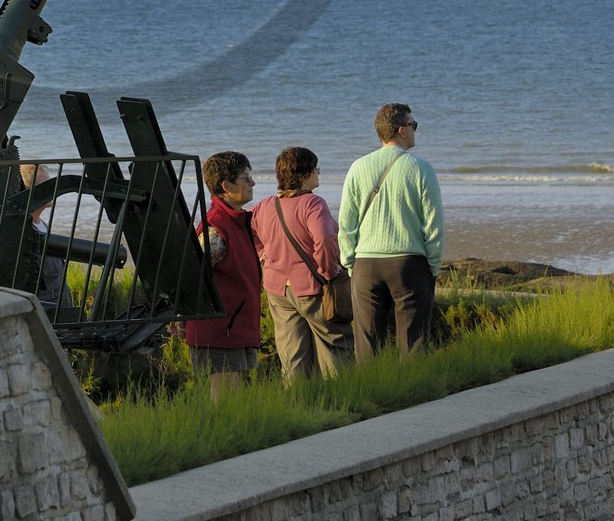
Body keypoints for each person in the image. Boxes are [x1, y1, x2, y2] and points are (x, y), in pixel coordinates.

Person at [338, 103, 445, 359]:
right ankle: (414, 397)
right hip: (409, 263)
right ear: (401, 130)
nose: (415, 131)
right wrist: (433, 266)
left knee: (366, 346)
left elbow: (346, 224)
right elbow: (434, 224)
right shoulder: (421, 168)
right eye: (413, 125)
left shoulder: (358, 167)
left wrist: (350, 263)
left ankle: (371, 395)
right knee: (413, 345)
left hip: (366, 264)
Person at [252, 146, 354, 381]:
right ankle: (340, 400)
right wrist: (329, 271)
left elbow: (249, 231)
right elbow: (325, 239)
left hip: (278, 289)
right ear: (303, 175)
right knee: (336, 345)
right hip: (312, 287)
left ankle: (298, 404)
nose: (318, 173)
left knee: (292, 354)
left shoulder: (265, 205)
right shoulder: (313, 204)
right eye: (315, 169)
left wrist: (262, 252)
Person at [184, 151, 263, 399]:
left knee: (234, 401)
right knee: (225, 401)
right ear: (226, 186)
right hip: (219, 330)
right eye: (245, 178)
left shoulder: (235, 220)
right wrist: (181, 318)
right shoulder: (215, 226)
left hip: (233, 326)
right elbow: (192, 277)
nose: (252, 183)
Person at [18, 162, 68, 306]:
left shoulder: (42, 224)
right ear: (29, 190)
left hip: (61, 306)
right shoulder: (23, 231)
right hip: (46, 309)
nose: (52, 189)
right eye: (46, 184)